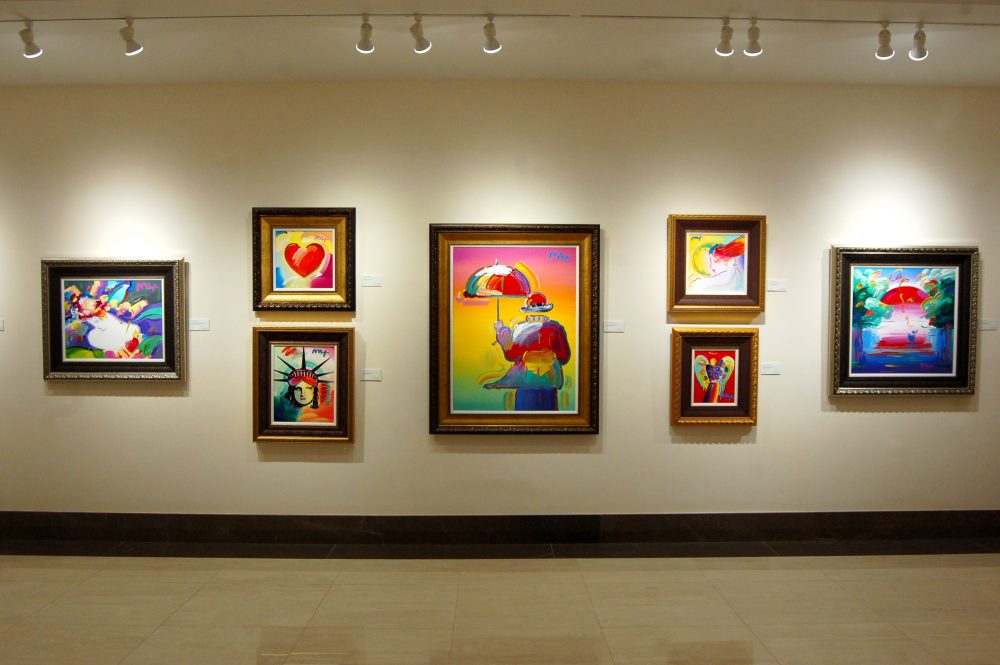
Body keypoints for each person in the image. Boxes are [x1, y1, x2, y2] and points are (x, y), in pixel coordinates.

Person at [485, 292, 571, 411]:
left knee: (524, 416)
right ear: (545, 309)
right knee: (548, 417)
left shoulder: (520, 329)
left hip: (525, 383)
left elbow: (511, 355)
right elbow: (564, 357)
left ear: (527, 310)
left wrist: (502, 331)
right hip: (549, 382)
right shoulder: (556, 328)